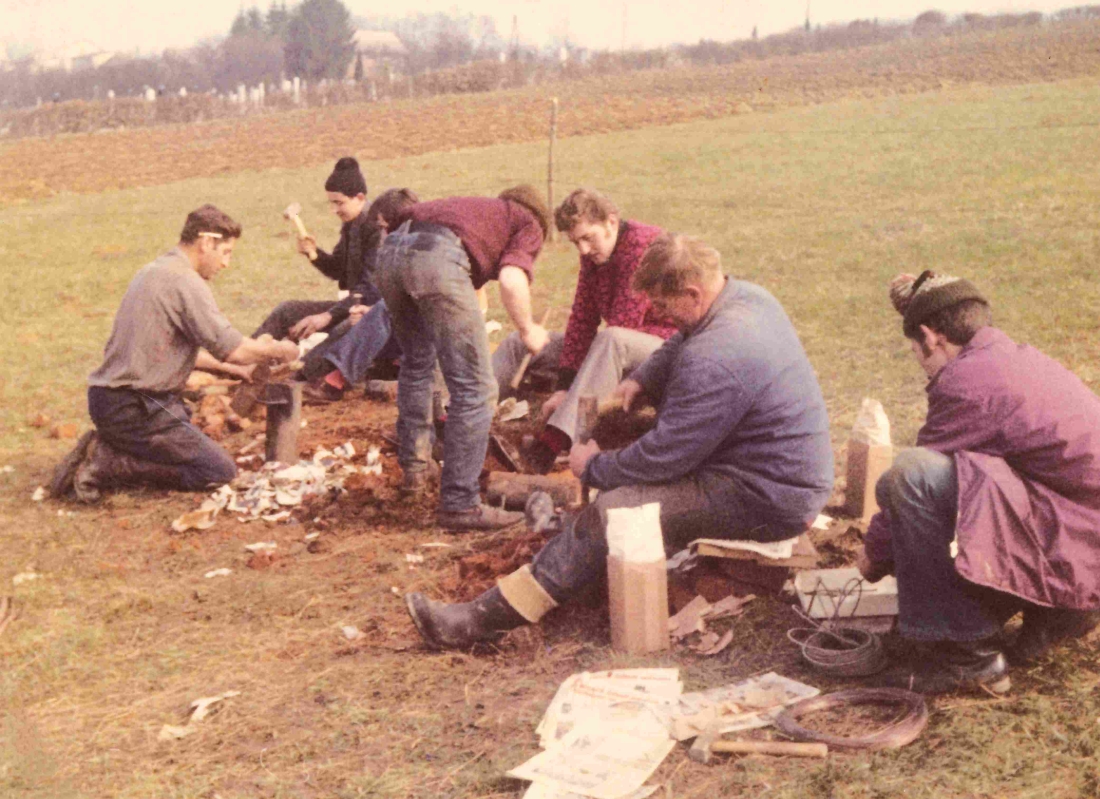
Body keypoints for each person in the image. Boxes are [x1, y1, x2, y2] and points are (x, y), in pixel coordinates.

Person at [405, 233, 835, 648]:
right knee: (624, 446)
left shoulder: (718, 357)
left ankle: (482, 620)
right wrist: (642, 378)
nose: (655, 314)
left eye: (663, 304)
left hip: (768, 497)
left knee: (616, 510)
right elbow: (683, 340)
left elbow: (666, 458)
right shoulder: (744, 296)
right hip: (763, 468)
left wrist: (593, 467)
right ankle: (578, 549)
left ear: (692, 292)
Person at [854, 271, 1100, 694]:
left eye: (917, 352)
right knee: (974, 474)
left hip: (1081, 537)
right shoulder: (1011, 355)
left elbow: (912, 484)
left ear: (933, 337)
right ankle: (1058, 612)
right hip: (1082, 522)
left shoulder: (967, 383)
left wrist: (873, 558)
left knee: (912, 475)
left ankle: (966, 656)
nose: (922, 366)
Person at [49, 205, 299, 503]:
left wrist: (237, 372)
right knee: (217, 471)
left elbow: (172, 350)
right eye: (226, 252)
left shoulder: (155, 271)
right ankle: (107, 464)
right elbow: (235, 349)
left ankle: (116, 446)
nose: (226, 264)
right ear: (206, 243)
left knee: (184, 420)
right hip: (134, 407)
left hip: (114, 401)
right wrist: (278, 350)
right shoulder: (184, 281)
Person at [376, 186, 551, 531]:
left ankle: (415, 469)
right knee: (477, 387)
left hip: (390, 255)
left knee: (418, 361)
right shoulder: (527, 221)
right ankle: (459, 504)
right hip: (435, 258)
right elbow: (512, 279)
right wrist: (529, 330)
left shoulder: (474, 210)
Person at [491, 188, 678, 473]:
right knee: (522, 342)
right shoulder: (594, 254)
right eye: (575, 241)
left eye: (588, 238)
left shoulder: (643, 246)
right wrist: (564, 385)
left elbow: (624, 325)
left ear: (611, 222)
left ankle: (554, 443)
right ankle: (468, 414)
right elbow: (582, 318)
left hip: (663, 352)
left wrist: (568, 393)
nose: (583, 250)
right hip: (615, 347)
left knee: (612, 338)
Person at [294, 188, 419, 403]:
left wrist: (374, 312)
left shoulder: (426, 253)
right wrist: (369, 312)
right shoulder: (399, 251)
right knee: (369, 316)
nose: (384, 234)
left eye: (385, 227)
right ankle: (302, 371)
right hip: (407, 334)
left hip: (427, 343)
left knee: (376, 313)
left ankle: (332, 381)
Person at [252, 157, 382, 347]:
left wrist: (328, 316)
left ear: (360, 198)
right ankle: (240, 357)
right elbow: (338, 270)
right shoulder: (351, 224)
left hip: (371, 312)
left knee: (322, 351)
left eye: (339, 203)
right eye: (331, 203)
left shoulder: (377, 229)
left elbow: (369, 289)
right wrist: (315, 254)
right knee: (286, 311)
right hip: (350, 306)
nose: (334, 210)